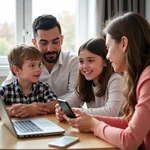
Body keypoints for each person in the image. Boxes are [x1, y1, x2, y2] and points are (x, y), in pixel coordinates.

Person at [59, 12, 150, 150]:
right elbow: (129, 123)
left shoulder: (147, 79)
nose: (107, 56)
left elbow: (129, 140)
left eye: (108, 48)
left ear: (124, 43)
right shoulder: (141, 76)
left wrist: (94, 125)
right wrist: (88, 119)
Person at [2, 14, 79, 99]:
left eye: (55, 42)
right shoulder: (25, 62)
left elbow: (76, 96)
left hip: (60, 112)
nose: (50, 49)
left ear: (62, 40)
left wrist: (39, 107)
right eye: (44, 43)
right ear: (34, 43)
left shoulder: (72, 61)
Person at [55, 37, 125, 122]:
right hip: (97, 130)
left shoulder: (115, 80)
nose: (84, 66)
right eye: (81, 61)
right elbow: (69, 103)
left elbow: (111, 112)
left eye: (91, 60)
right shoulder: (86, 82)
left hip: (118, 130)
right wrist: (61, 110)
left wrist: (75, 111)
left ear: (105, 61)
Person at [0, 44, 57, 118]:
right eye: (32, 65)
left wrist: (32, 108)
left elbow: (56, 105)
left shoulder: (43, 87)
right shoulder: (6, 90)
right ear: (17, 70)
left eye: (39, 65)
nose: (38, 69)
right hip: (16, 127)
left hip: (39, 125)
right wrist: (17, 111)